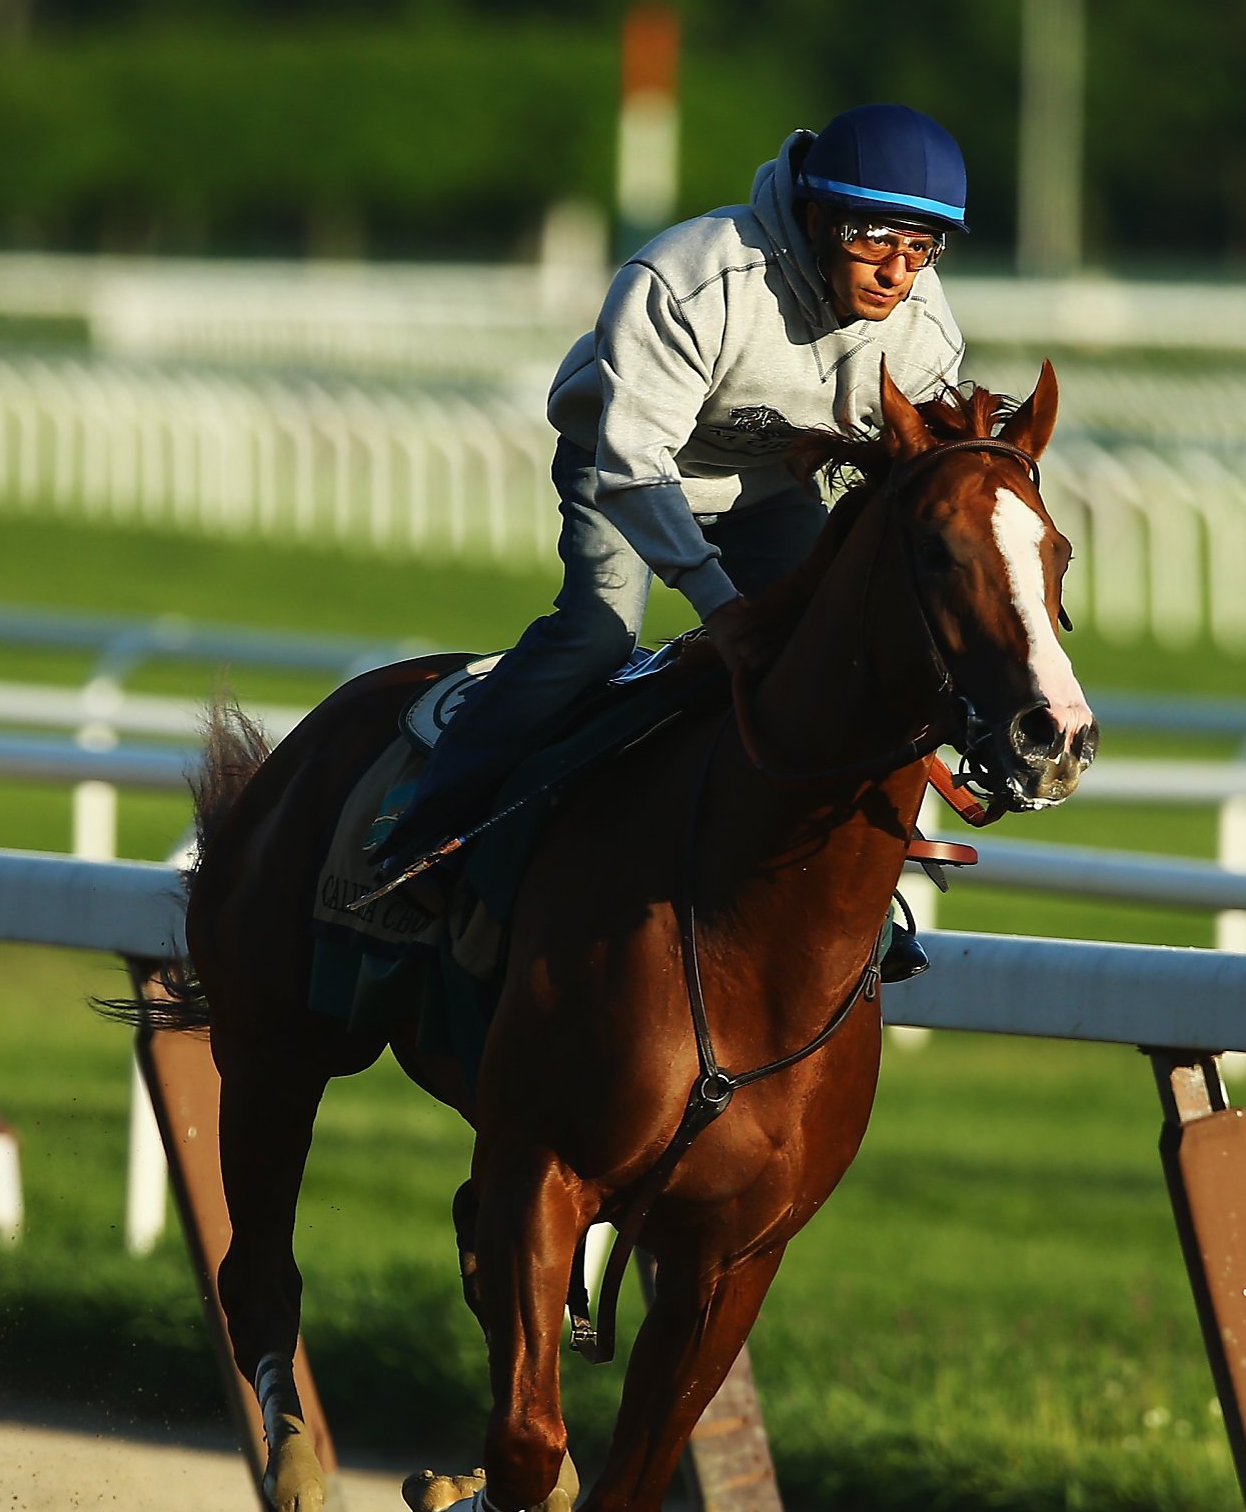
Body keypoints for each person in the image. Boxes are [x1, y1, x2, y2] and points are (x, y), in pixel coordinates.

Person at [382, 102, 970, 973]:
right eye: (873, 236)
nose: (895, 271)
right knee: (597, 633)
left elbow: (920, 473)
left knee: (828, 652)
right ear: (814, 215)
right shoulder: (690, 277)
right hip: (620, 461)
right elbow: (633, 463)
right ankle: (428, 835)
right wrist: (719, 605)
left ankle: (850, 891)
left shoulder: (924, 328)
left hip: (766, 487)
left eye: (921, 246)